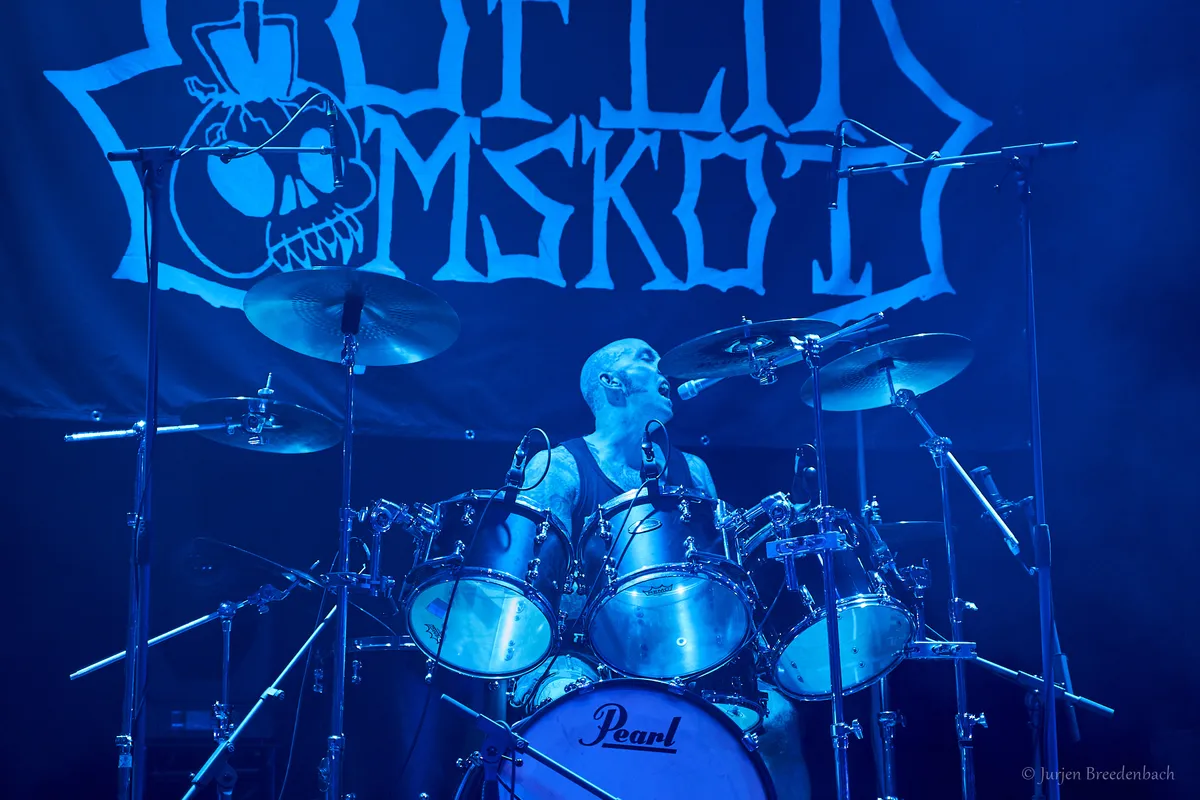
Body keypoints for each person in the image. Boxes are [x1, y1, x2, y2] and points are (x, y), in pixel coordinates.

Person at [523, 337, 812, 799]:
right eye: (647, 359)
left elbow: (720, 577)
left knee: (777, 718)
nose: (665, 371)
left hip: (687, 653)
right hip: (583, 652)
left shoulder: (693, 470)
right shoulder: (559, 466)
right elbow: (533, 583)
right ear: (612, 382)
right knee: (569, 708)